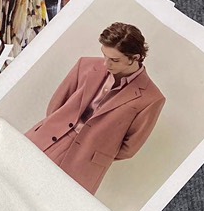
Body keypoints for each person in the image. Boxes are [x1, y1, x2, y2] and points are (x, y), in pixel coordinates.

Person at [25, 23, 165, 196]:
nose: (106, 63)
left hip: (84, 163)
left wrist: (95, 150)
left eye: (114, 60)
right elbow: (56, 104)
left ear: (135, 58)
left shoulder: (151, 98)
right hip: (46, 139)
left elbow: (130, 147)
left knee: (49, 203)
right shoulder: (85, 65)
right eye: (104, 55)